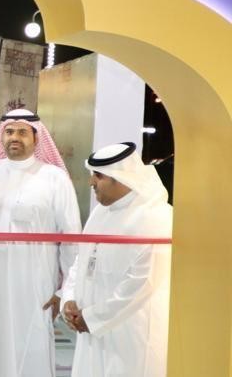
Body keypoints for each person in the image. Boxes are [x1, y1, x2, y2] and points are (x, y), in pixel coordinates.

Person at [0, 109, 81, 377]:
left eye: (23, 132)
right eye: (9, 131)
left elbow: (71, 238)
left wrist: (65, 291)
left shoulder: (55, 178)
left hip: (35, 285)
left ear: (36, 138)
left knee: (31, 349)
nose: (15, 137)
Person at [61, 142, 172, 377]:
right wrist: (69, 299)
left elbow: (142, 284)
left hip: (130, 335)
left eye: (98, 176)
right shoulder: (100, 213)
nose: (91, 182)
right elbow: (81, 261)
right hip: (91, 330)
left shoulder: (156, 217)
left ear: (121, 177)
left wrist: (93, 317)